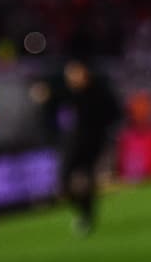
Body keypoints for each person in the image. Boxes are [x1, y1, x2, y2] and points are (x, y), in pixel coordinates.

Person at [33, 57, 122, 235]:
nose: (73, 77)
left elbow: (115, 112)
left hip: (94, 142)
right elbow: (51, 102)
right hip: (75, 142)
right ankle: (84, 211)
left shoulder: (99, 91)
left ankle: (87, 214)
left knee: (86, 179)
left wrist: (104, 128)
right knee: (64, 182)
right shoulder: (68, 92)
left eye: (76, 73)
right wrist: (44, 96)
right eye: (70, 74)